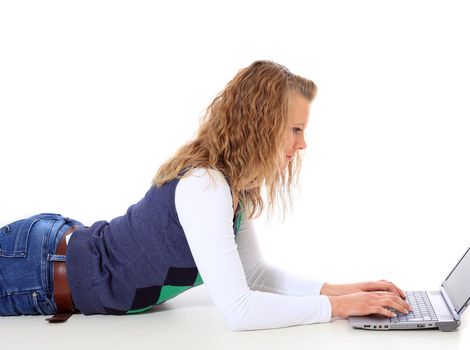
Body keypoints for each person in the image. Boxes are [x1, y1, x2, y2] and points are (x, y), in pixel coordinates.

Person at [0, 60, 410, 330]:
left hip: (56, 249)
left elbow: (253, 275)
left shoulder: (234, 187)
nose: (302, 144)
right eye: (295, 129)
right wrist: (338, 309)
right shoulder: (205, 187)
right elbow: (240, 310)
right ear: (261, 126)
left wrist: (342, 291)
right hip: (36, 268)